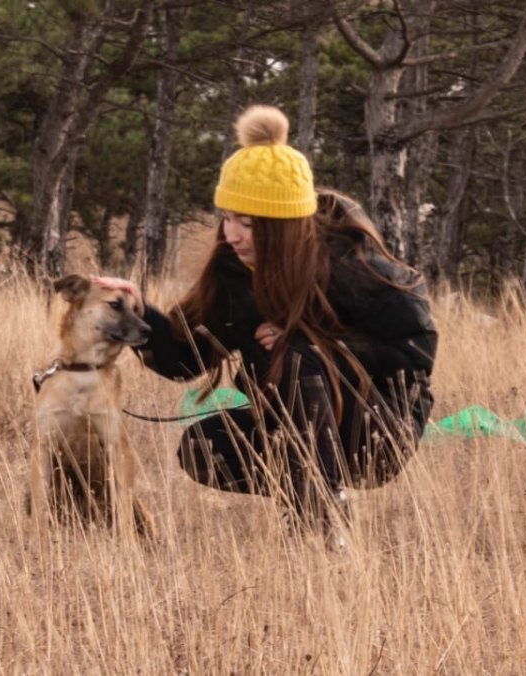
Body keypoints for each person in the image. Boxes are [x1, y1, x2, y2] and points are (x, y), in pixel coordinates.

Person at [96, 104, 437, 545]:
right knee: (204, 449)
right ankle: (313, 497)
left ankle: (319, 525)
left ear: (284, 226)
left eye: (248, 223)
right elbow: (187, 358)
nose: (232, 234)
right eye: (227, 218)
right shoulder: (233, 273)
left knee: (295, 355)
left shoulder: (351, 266)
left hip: (378, 431)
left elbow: (415, 357)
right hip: (291, 423)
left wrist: (324, 344)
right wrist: (135, 312)